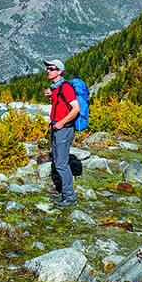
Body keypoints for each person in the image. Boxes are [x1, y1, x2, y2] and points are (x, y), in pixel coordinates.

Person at [44, 59, 79, 208]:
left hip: (63, 129)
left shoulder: (66, 87)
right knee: (58, 161)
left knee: (61, 164)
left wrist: (62, 122)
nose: (48, 71)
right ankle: (64, 193)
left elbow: (76, 108)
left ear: (60, 71)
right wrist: (49, 96)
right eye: (48, 68)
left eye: (52, 69)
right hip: (57, 128)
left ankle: (70, 198)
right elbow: (60, 105)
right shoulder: (56, 88)